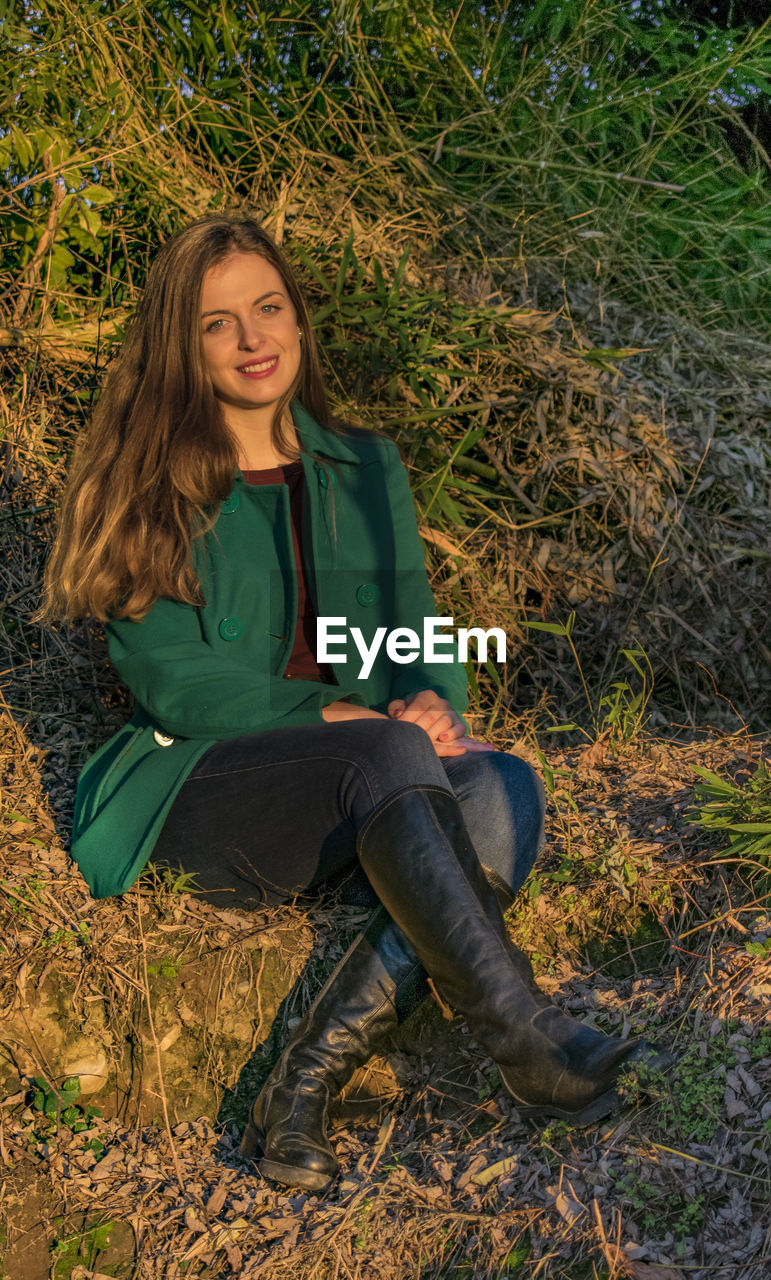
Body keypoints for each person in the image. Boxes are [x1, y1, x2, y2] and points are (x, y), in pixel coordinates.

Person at [41, 215, 669, 1193]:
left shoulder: (362, 468)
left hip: (364, 776)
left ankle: (300, 1085)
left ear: (298, 319)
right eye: (218, 323)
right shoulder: (147, 483)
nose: (254, 340)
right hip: (198, 781)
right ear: (181, 341)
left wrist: (436, 709)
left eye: (269, 308)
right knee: (388, 757)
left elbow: (411, 627)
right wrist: (352, 719)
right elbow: (176, 680)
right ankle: (526, 1034)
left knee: (501, 783)